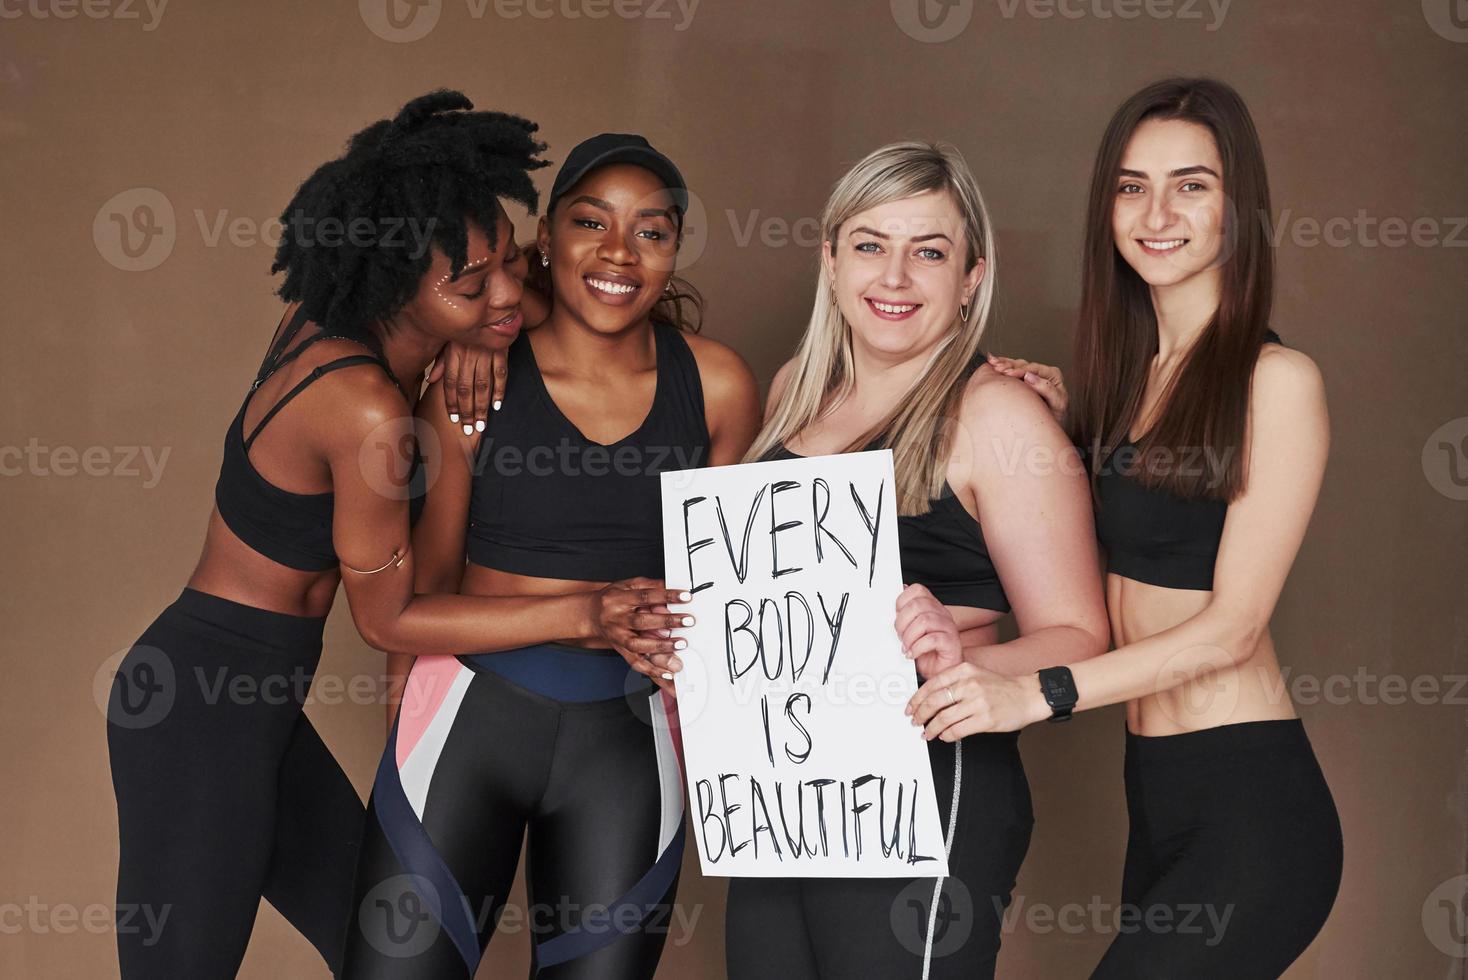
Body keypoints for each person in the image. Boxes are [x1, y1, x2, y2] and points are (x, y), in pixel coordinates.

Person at [105, 94, 687, 980]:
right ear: (398, 287)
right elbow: (390, 621)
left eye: (504, 260)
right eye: (472, 285)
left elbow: (538, 298)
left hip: (259, 703)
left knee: (383, 943)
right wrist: (581, 612)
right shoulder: (369, 410)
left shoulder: (345, 318)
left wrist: (485, 326)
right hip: (199, 710)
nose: (507, 293)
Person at [914, 78, 1344, 978]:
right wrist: (1072, 432)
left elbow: (1233, 629)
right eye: (1130, 185)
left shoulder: (1278, 381)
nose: (1156, 212)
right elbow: (1135, 527)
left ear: (1240, 204)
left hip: (1250, 804)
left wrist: (1040, 694)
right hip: (1157, 796)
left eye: (1192, 185)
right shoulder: (1130, 384)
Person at [342, 134, 762, 979]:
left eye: (651, 231)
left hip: (631, 741)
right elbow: (419, 599)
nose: (618, 252)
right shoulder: (475, 381)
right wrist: (405, 739)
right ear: (546, 237)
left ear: (673, 250)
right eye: (590, 221)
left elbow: (729, 588)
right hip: (467, 722)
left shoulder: (717, 385)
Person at [725, 141, 1109, 980]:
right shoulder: (798, 387)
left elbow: (1081, 636)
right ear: (830, 261)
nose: (894, 277)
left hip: (931, 783)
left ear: (971, 275)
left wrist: (956, 664)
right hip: (783, 793)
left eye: (928, 252)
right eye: (870, 245)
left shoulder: (999, 416)